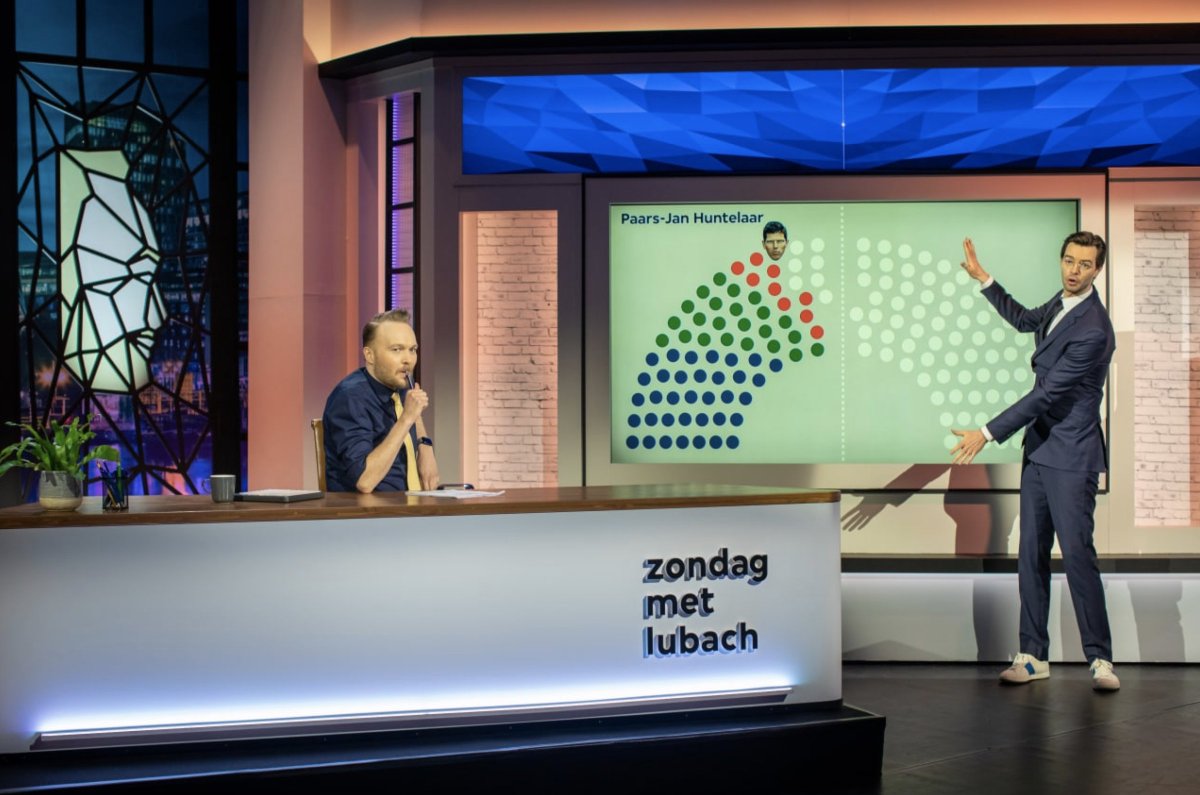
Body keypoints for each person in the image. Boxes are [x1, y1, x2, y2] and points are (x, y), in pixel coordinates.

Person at [950, 231, 1119, 692]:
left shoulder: (1094, 327)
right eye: (1069, 260)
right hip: (1040, 449)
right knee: (1031, 553)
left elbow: (1047, 394)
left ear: (1097, 270)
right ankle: (1032, 654)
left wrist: (987, 432)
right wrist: (985, 280)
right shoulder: (1061, 302)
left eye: (1084, 264)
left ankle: (1100, 658)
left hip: (1072, 454)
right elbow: (1025, 320)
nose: (1073, 270)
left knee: (1078, 555)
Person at [322, 309, 440, 493]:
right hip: (367, 507)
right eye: (396, 349)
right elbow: (364, 481)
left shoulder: (400, 387)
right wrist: (406, 419)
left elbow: (414, 416)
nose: (408, 360)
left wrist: (425, 446)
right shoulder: (350, 398)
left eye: (412, 350)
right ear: (370, 355)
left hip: (410, 501)